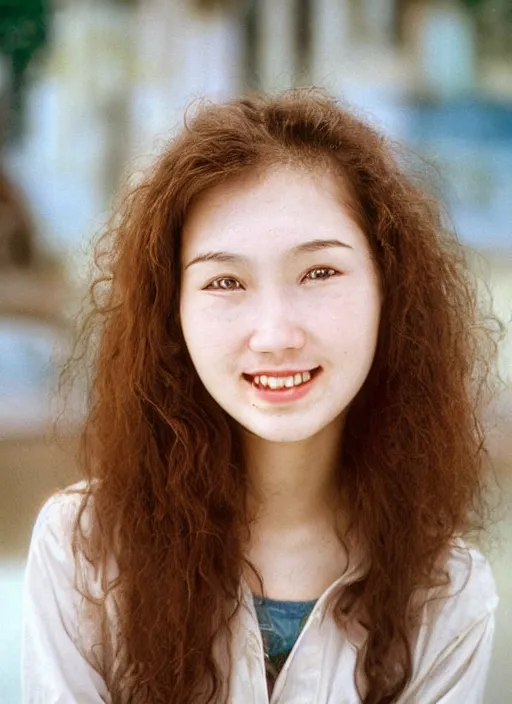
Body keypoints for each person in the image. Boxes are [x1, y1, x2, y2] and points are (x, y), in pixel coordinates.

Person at [21, 89, 499, 704]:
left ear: (391, 291)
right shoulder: (82, 553)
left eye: (319, 272)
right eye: (225, 281)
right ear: (173, 315)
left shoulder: (446, 594)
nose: (275, 335)